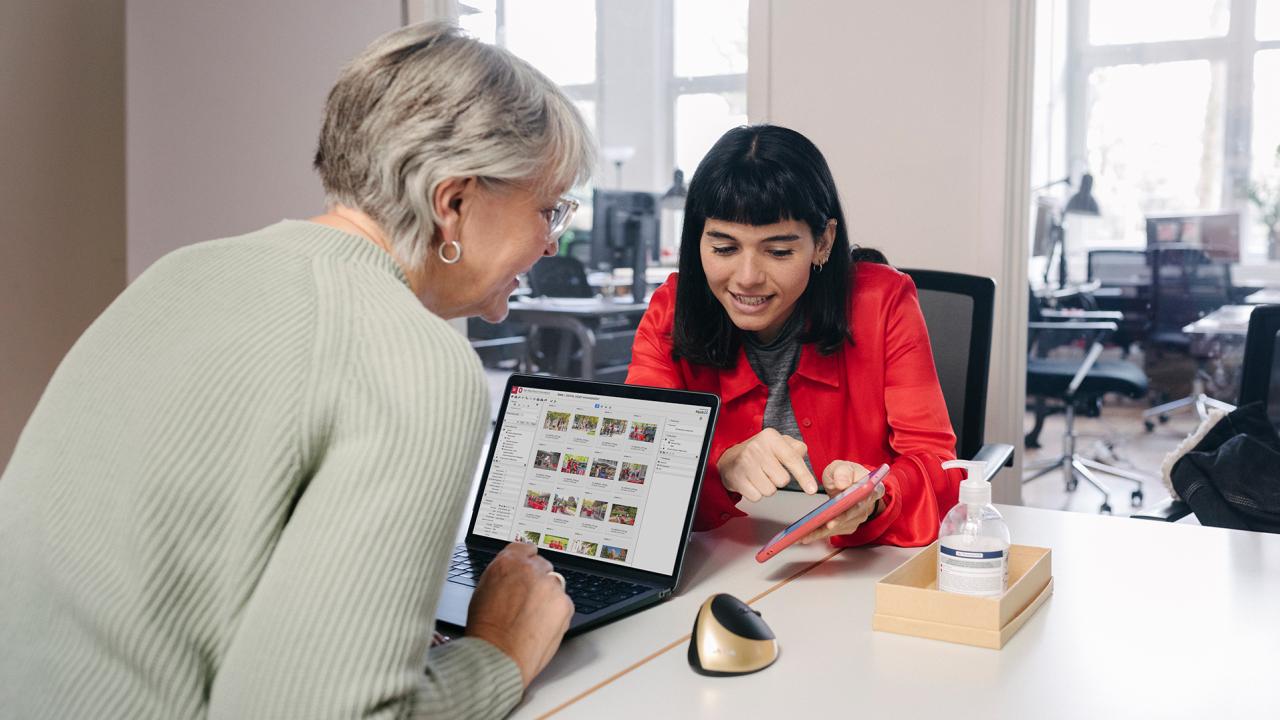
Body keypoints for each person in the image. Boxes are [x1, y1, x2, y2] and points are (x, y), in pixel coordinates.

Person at [0, 22, 593, 719]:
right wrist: (499, 650)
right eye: (548, 210)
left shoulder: (181, 272)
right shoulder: (414, 357)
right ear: (453, 202)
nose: (552, 242)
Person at [626, 124, 962, 548]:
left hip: (856, 570)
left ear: (823, 243)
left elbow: (938, 468)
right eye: (724, 248)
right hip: (722, 563)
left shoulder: (883, 301)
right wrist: (723, 464)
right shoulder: (670, 313)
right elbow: (636, 471)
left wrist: (877, 496)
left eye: (779, 251)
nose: (747, 279)